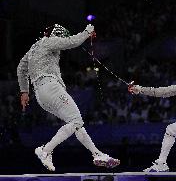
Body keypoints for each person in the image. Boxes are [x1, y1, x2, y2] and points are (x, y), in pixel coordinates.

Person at [17, 24, 120, 171]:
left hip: (40, 95)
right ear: (56, 34)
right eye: (61, 37)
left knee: (75, 124)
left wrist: (24, 91)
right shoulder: (48, 40)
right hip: (50, 87)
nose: (61, 41)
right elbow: (72, 42)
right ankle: (45, 150)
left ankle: (97, 154)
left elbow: (21, 68)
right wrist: (87, 32)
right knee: (76, 121)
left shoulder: (33, 48)